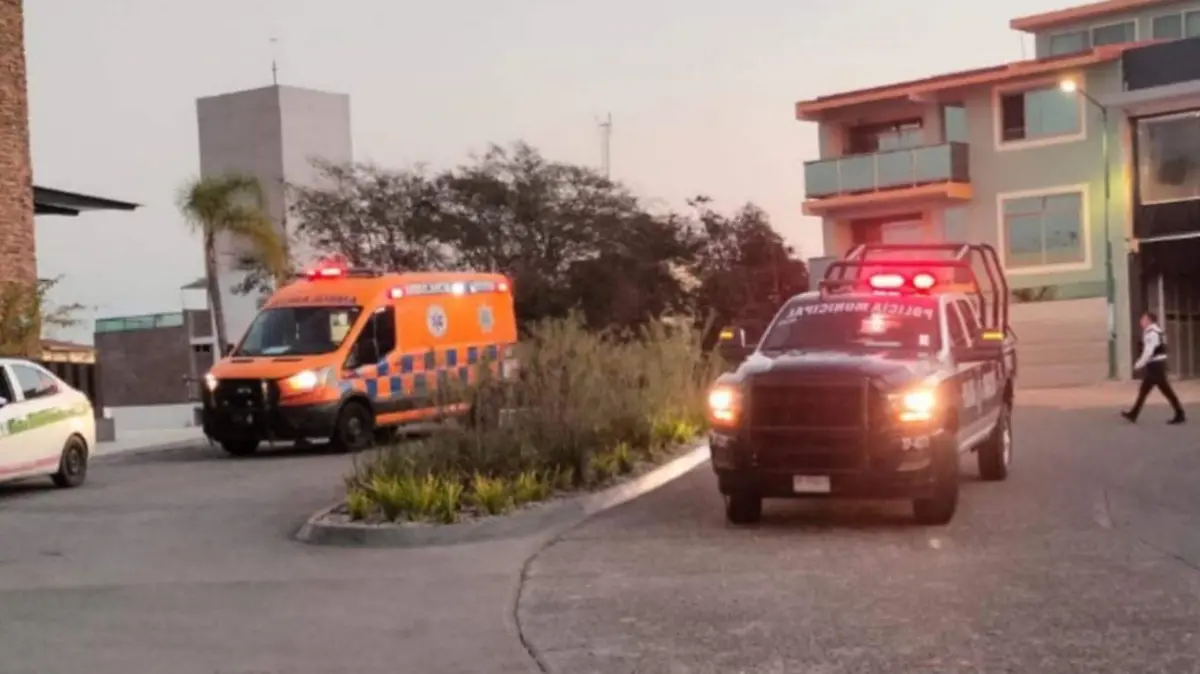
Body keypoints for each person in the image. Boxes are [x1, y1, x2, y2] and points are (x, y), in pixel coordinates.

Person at [1122, 311, 1186, 425]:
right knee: (1145, 390)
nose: (1141, 321)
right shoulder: (1153, 331)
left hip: (1156, 366)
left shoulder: (1152, 333)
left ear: (1149, 320)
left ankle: (1179, 413)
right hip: (1155, 366)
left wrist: (1139, 364)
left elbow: (1148, 351)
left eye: (1143, 319)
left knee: (1165, 391)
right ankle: (1134, 413)